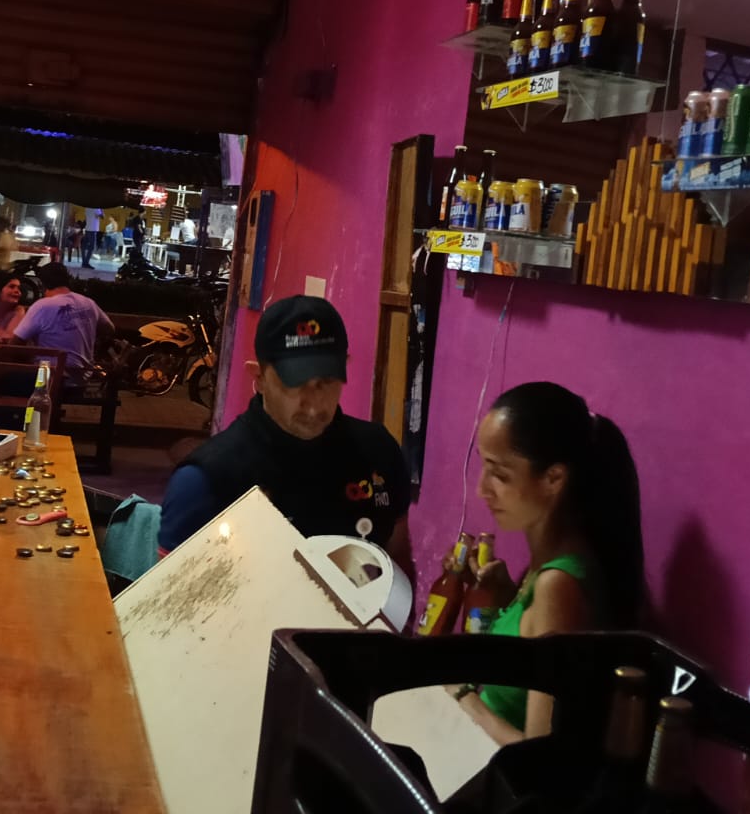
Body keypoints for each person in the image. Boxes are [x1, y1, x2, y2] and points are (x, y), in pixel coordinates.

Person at [158, 296, 415, 583]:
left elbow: (398, 569)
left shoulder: (378, 452)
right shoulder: (207, 480)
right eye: (295, 384)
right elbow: (170, 601)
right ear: (259, 377)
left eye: (326, 382)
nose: (314, 405)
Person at [449, 381, 646, 744]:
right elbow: (531, 645)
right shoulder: (544, 565)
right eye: (483, 466)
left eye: (500, 474)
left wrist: (464, 697)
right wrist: (507, 595)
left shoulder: (559, 585)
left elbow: (538, 754)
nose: (482, 489)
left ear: (553, 479)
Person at [14, 261, 113, 375]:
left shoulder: (42, 306)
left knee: (5, 379)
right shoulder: (88, 303)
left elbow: (15, 343)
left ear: (42, 284)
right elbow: (109, 329)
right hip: (83, 377)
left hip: (47, 376)